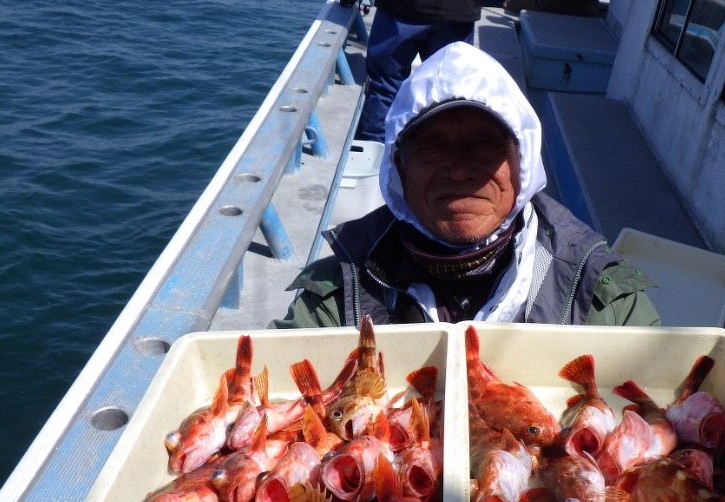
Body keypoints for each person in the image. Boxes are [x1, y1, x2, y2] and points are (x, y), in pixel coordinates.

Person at [272, 41, 659, 328]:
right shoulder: (336, 296)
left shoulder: (599, 296)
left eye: (486, 144)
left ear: (522, 162)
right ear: (399, 168)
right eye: (432, 146)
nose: (459, 171)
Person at [355, 0, 481, 142]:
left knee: (385, 87)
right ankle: (442, 149)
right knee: (449, 92)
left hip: (400, 9)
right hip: (456, 10)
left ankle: (374, 148)